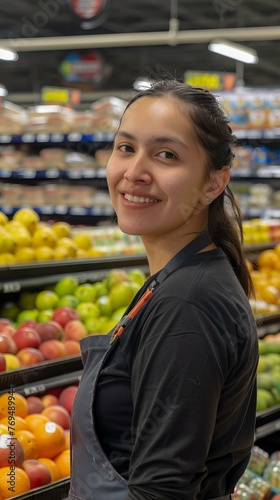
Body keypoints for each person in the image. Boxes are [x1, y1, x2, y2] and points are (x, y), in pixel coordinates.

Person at [69, 78, 259, 500]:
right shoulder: (181, 276)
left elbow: (161, 492)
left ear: (214, 183)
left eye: (166, 155)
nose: (134, 173)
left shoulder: (186, 304)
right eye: (126, 147)